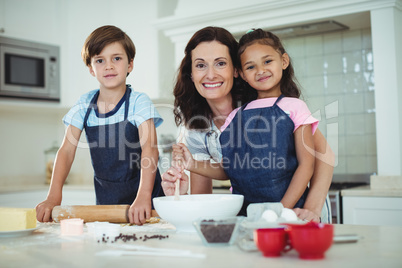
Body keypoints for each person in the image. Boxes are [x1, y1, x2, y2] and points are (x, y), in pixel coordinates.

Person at [162, 26, 334, 222]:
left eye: (220, 63)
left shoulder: (269, 99)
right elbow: (205, 198)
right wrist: (181, 195)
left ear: (236, 70)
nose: (210, 74)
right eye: (201, 65)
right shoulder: (196, 128)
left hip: (300, 213)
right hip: (253, 219)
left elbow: (323, 156)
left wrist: (309, 209)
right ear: (191, 74)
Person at [35, 25, 164, 225]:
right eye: (100, 60)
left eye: (117, 58)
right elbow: (66, 151)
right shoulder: (84, 104)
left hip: (148, 203)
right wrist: (53, 197)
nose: (109, 66)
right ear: (91, 68)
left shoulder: (139, 102)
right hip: (107, 206)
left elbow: (150, 149)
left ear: (130, 65)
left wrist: (144, 197)